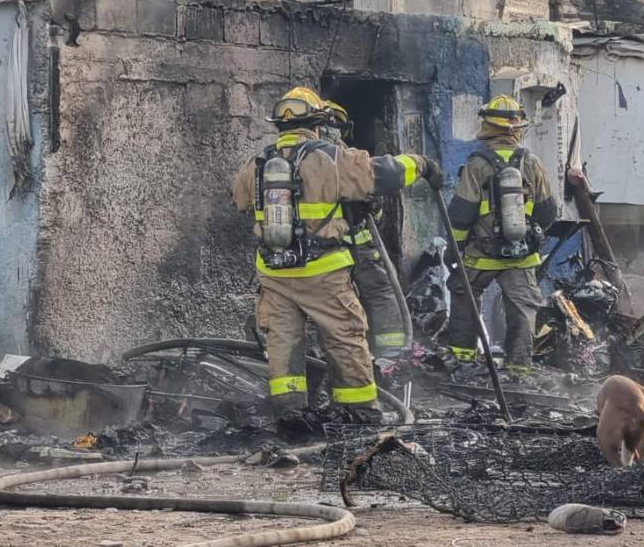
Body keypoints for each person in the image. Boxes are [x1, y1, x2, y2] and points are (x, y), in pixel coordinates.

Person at [232, 87, 441, 427]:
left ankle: (289, 414)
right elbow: (383, 175)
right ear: (316, 123)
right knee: (345, 337)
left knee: (283, 343)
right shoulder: (330, 156)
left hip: (274, 273)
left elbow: (239, 199)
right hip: (323, 271)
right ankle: (361, 412)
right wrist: (421, 164)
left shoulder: (257, 163)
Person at [442, 95, 559, 377]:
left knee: (464, 294)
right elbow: (548, 211)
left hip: (481, 255)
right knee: (522, 308)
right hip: (521, 255)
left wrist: (454, 250)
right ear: (517, 127)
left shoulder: (477, 164)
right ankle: (518, 368)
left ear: (488, 127)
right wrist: (531, 236)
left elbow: (461, 214)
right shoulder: (532, 162)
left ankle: (462, 359)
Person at [322, 101, 410, 356]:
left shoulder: (298, 161)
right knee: (381, 293)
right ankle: (390, 357)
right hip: (357, 246)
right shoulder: (350, 158)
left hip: (320, 251)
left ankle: (328, 357)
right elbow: (376, 207)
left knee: (326, 303)